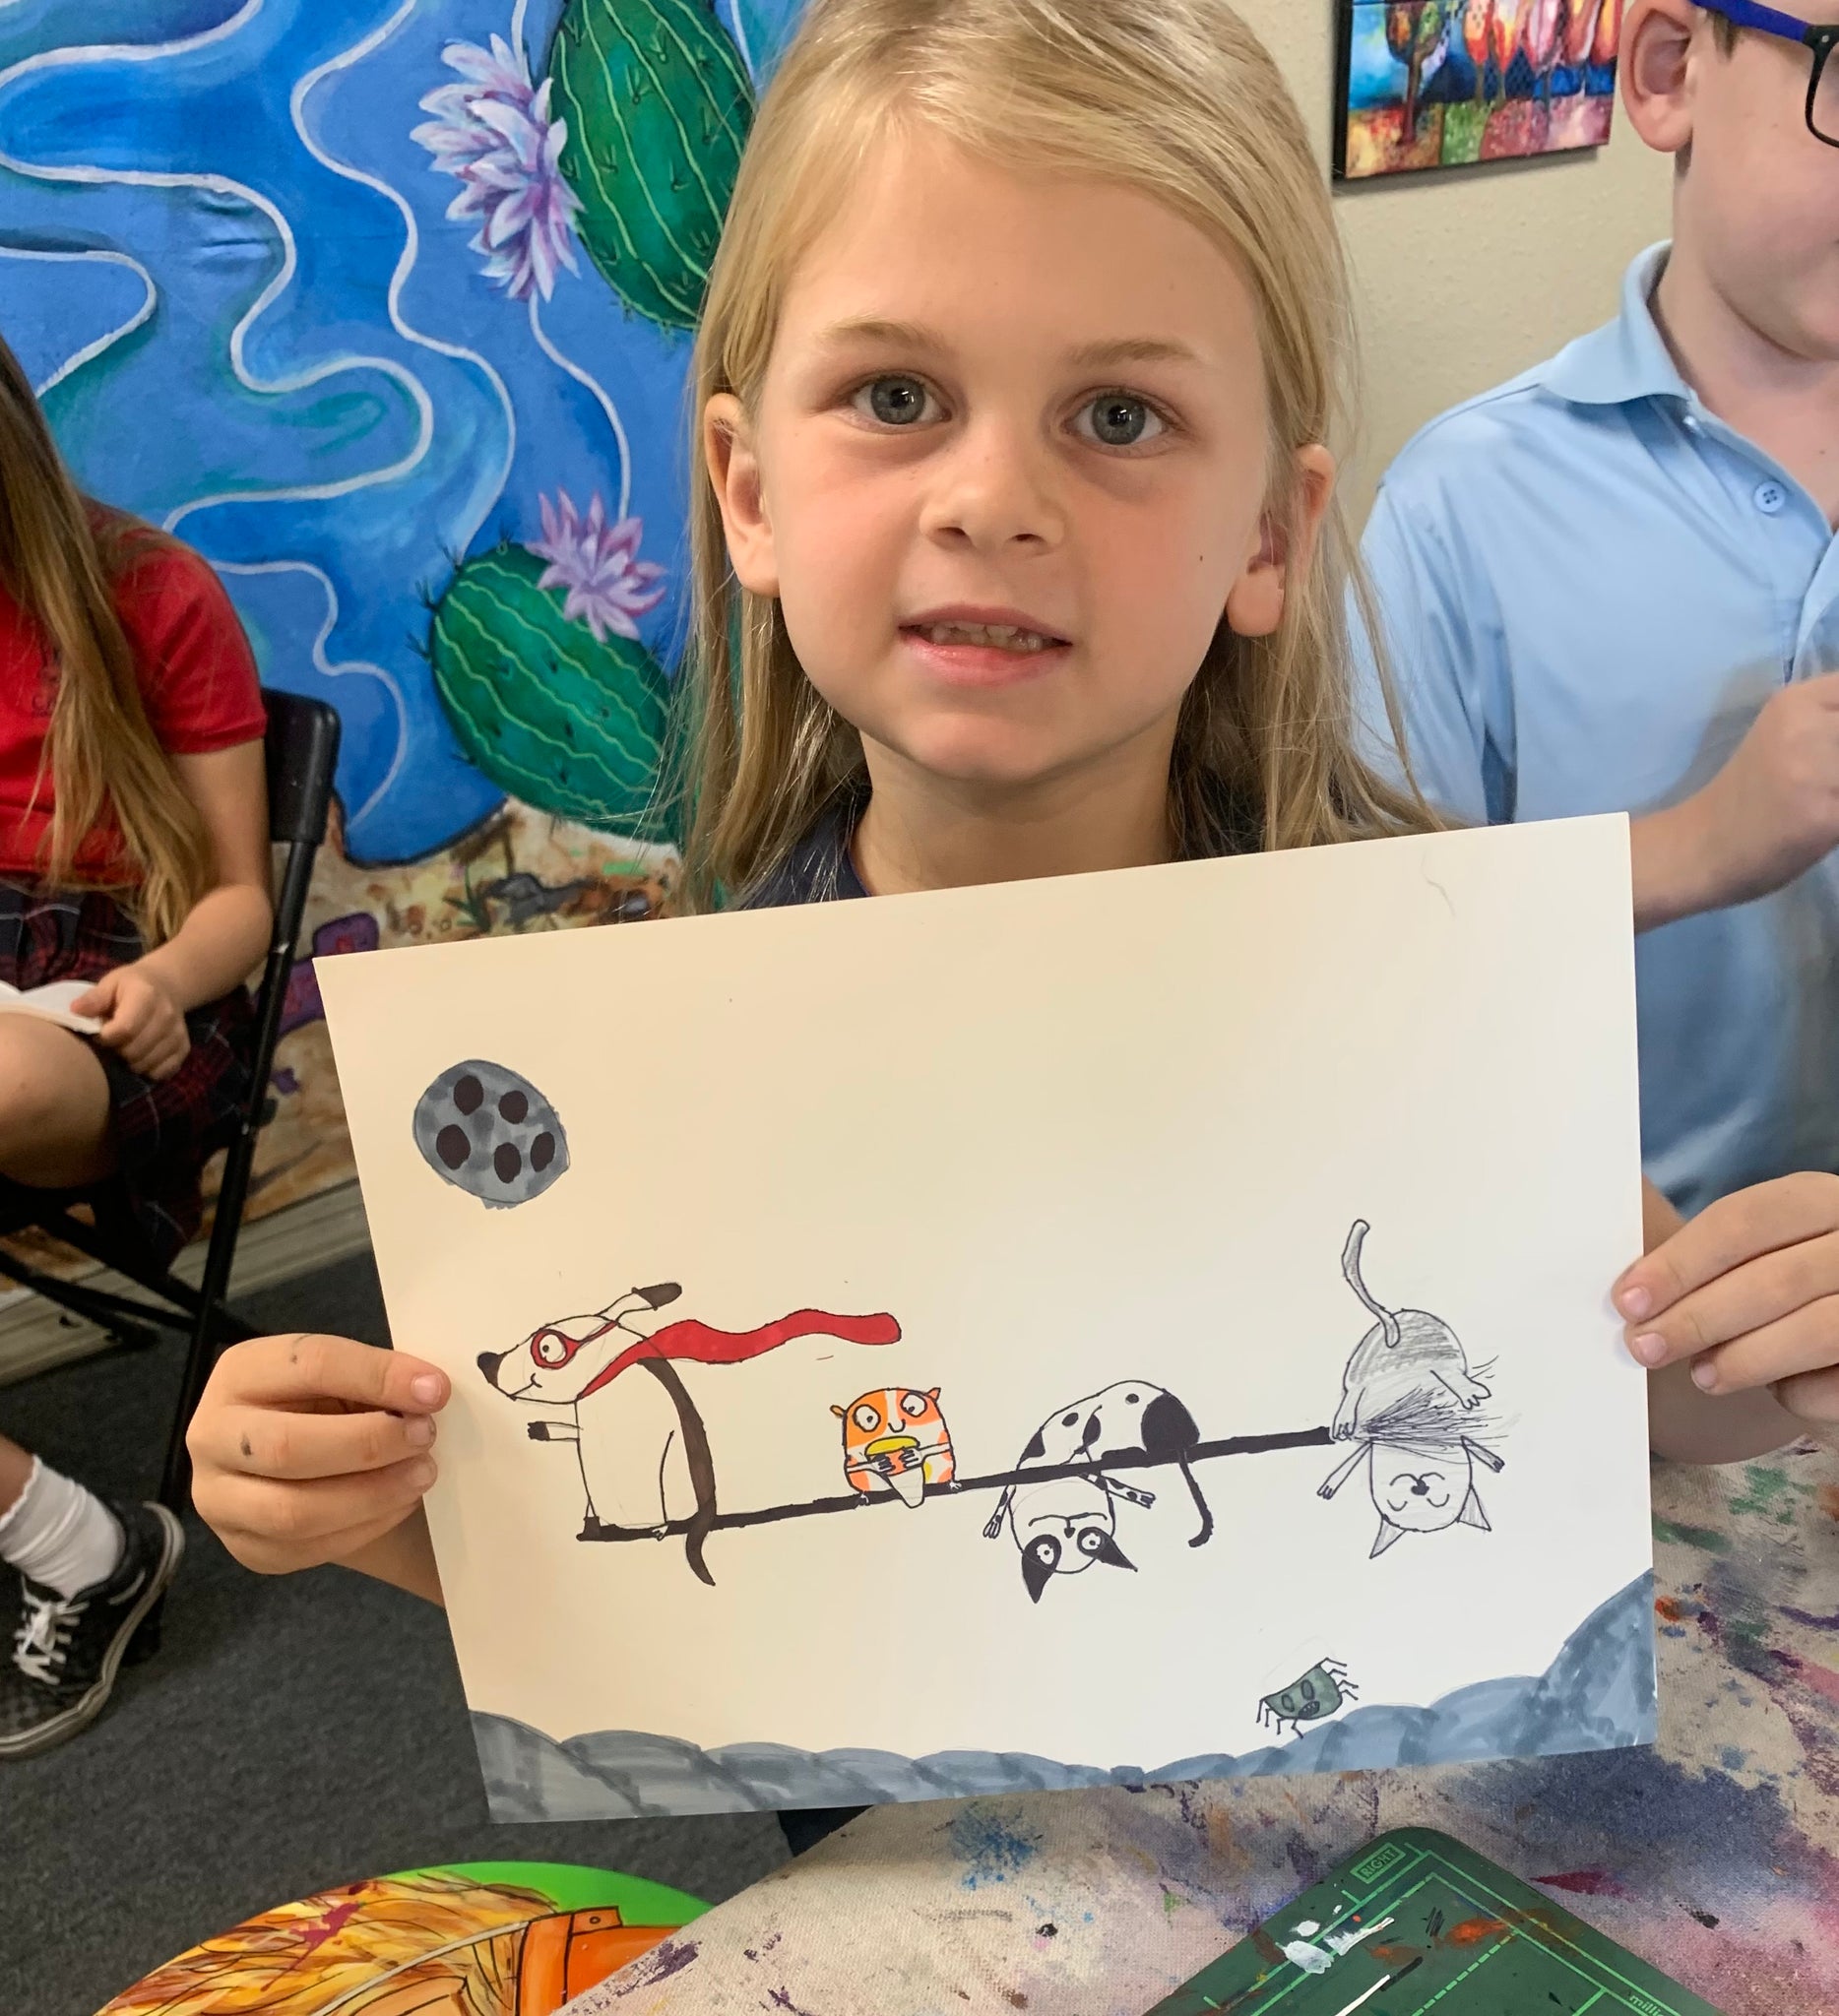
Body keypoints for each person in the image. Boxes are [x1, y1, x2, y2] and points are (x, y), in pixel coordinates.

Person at [187, 0, 1839, 1854]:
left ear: (1268, 538)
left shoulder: (1413, 975)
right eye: (895, 398)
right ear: (748, 489)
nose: (992, 501)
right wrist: (360, 1496)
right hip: (938, 1906)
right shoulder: (680, 1066)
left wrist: (1767, 1349)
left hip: (1365, 1858)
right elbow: (618, 1572)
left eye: (1118, 416)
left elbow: (1636, 1388)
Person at [1355, 0, 1839, 1225]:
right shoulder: (1458, 510)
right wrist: (1696, 844)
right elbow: (1359, 972)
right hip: (1602, 1288)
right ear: (1669, 70)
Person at [0, 332, 271, 1758]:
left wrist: (163, 982)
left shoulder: (148, 590)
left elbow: (237, 902)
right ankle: (79, 1546)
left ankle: (79, 1551)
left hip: (118, 981)